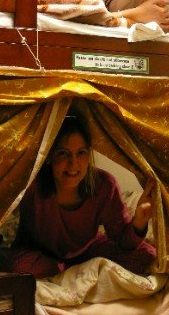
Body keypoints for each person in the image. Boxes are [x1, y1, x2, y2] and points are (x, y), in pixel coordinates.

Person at [11, 113, 157, 278]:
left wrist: (139, 221)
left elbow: (123, 241)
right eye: (63, 153)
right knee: (20, 269)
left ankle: (72, 270)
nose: (73, 163)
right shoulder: (31, 184)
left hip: (87, 250)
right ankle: (69, 270)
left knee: (148, 255)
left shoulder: (104, 184)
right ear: (49, 157)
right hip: (39, 252)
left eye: (81, 153)